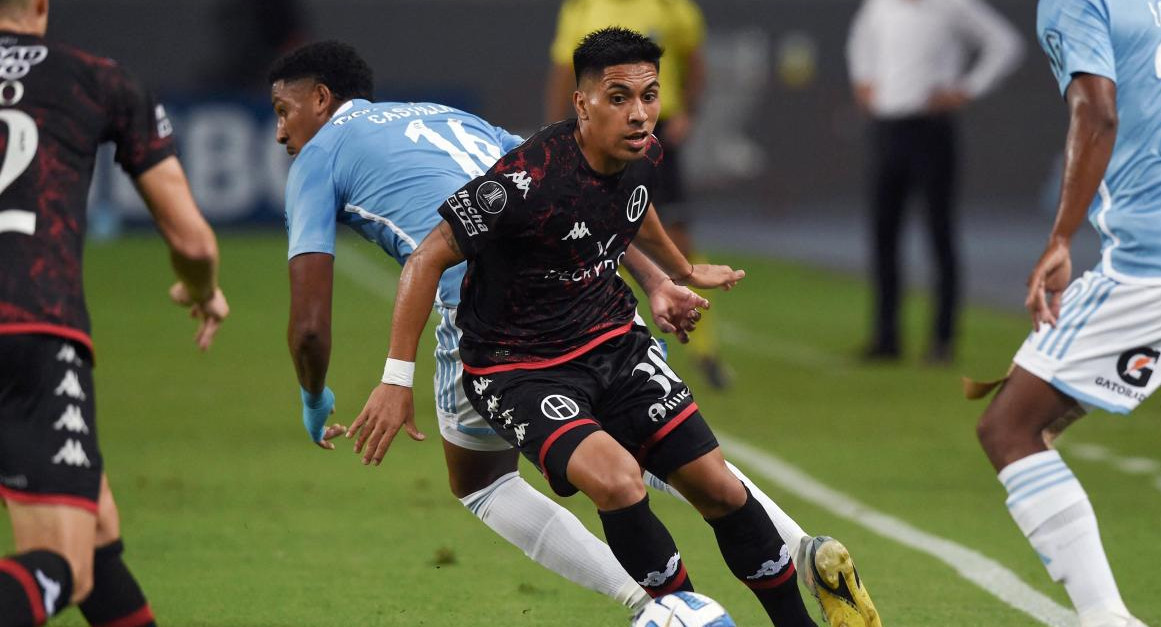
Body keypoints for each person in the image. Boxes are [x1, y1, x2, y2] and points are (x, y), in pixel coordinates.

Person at [270, 39, 878, 626]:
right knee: (669, 454)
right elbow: (580, 193)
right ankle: (801, 549)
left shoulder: (318, 155)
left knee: (484, 482)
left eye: (283, 111)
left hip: (496, 322)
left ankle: (654, 608)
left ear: (321, 99)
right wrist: (659, 278)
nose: (280, 132)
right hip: (592, 294)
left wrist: (319, 394)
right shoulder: (439, 113)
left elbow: (310, 327)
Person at [0, 0, 230, 625]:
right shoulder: (96, 78)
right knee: (63, 563)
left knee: (95, 528)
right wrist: (203, 287)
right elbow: (192, 241)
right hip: (30, 329)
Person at [974, 0, 1160, 625]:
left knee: (1012, 427)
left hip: (1149, 266)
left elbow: (1098, 109)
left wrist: (1060, 238)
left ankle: (1106, 618)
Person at [545, 0, 731, 389]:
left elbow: (694, 59)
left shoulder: (670, 6)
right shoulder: (583, 8)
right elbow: (566, 71)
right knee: (598, 238)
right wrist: (556, 134)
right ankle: (612, 345)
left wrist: (688, 112)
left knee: (676, 240)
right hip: (599, 135)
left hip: (656, 135)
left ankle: (705, 352)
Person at [846, 0, 1023, 364]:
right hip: (887, 128)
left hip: (931, 129)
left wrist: (968, 88)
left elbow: (1005, 44)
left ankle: (942, 340)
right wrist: (863, 80)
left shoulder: (952, 5)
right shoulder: (879, 7)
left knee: (939, 234)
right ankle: (887, 337)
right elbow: (859, 44)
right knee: (884, 235)